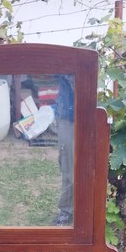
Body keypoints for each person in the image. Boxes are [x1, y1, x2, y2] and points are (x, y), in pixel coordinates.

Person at [54, 74, 75, 226]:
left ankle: (87, 209)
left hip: (92, 114)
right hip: (68, 117)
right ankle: (67, 209)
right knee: (68, 166)